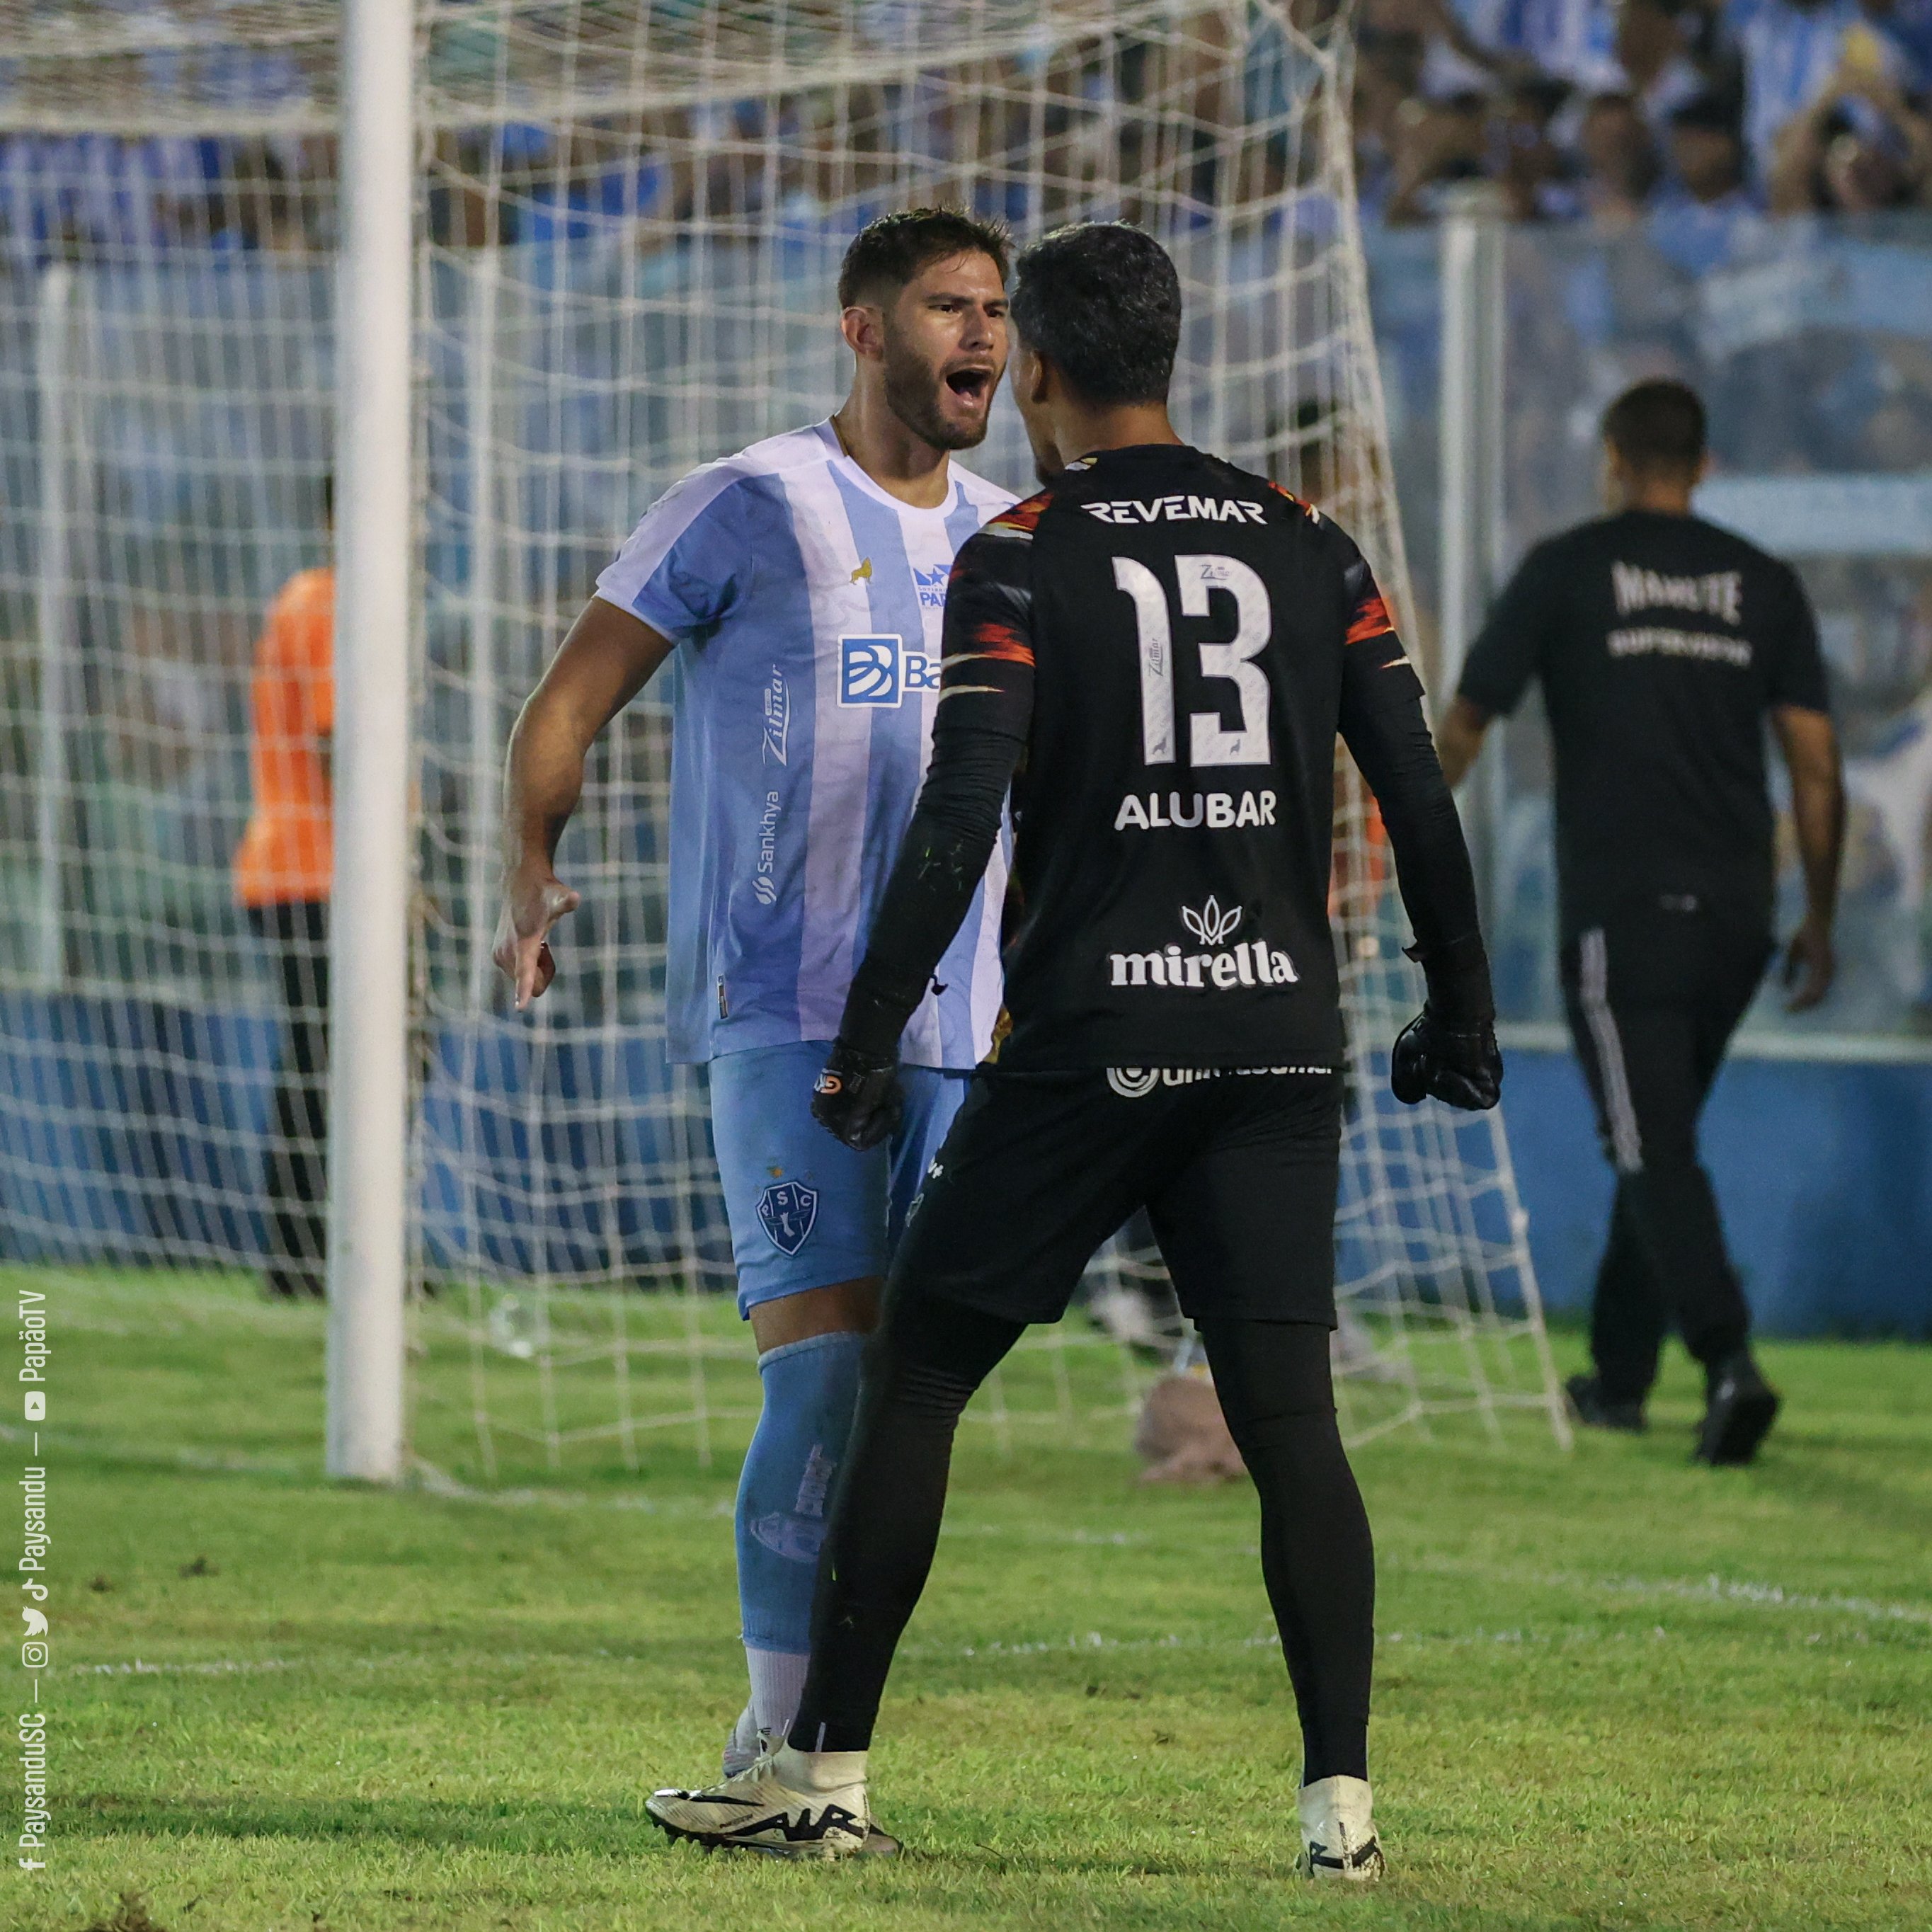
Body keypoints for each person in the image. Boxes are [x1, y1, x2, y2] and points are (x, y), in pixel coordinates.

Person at [646, 220, 1501, 1873]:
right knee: (1289, 1422)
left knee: (913, 1375)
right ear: (1169, 357)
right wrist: (1453, 1005)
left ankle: (819, 1773)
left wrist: (871, 1027)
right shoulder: (1309, 543)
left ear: (1033, 365)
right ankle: (1338, 1810)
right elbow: (1413, 791)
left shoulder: (1024, 549)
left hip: (1090, 1041)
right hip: (1270, 1041)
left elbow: (962, 810)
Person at [493, 208, 1014, 1800]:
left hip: (968, 1021)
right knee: (821, 1371)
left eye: (995, 309)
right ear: (862, 328)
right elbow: (568, 697)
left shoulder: (1016, 534)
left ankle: (830, 1741)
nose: (979, 336)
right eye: (946, 306)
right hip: (785, 1009)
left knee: (908, 1397)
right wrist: (531, 867)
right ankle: (776, 1728)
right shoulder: (749, 501)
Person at [1436, 379, 1846, 1464]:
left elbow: (1467, 725)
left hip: (1623, 912)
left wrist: (1405, 848)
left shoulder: (1567, 568)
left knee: (1645, 1136)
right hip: (1738, 919)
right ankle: (1619, 1376)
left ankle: (1727, 1361)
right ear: (1704, 466)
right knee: (1653, 1133)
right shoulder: (1763, 583)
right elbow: (1813, 762)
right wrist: (1821, 914)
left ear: (1612, 459)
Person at [233, 480, 335, 1301]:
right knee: (330, 1056)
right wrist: (397, 868)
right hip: (320, 869)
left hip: (295, 866)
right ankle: (305, 1254)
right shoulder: (332, 601)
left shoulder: (303, 598)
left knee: (325, 1055)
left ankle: (316, 1250)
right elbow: (340, 740)